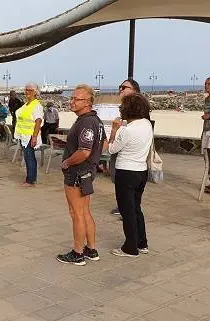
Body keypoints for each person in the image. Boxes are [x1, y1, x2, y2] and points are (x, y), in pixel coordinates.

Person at [56, 84, 106, 266]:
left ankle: (78, 252)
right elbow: (104, 144)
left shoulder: (86, 122)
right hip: (88, 172)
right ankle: (91, 249)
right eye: (72, 98)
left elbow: (84, 151)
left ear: (88, 102)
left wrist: (67, 161)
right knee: (84, 212)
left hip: (77, 173)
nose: (72, 101)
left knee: (76, 213)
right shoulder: (96, 121)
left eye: (76, 99)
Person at [107, 93, 153, 257]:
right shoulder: (147, 124)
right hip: (141, 171)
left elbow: (111, 149)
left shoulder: (126, 130)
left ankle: (130, 247)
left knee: (127, 211)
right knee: (136, 208)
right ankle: (142, 243)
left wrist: (114, 130)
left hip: (126, 172)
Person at [109, 78, 142, 216]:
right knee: (116, 178)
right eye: (120, 87)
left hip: (128, 153)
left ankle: (128, 211)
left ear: (134, 91)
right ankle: (125, 207)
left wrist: (115, 130)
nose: (121, 90)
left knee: (127, 185)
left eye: (124, 87)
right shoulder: (123, 106)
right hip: (120, 145)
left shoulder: (138, 109)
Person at [14, 83, 43, 187]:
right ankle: (30, 178)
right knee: (27, 157)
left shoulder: (36, 105)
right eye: (26, 90)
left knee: (29, 157)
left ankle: (30, 180)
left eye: (30, 90)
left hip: (30, 135)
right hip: (24, 135)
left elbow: (38, 121)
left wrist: (34, 137)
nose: (27, 92)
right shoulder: (27, 104)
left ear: (35, 92)